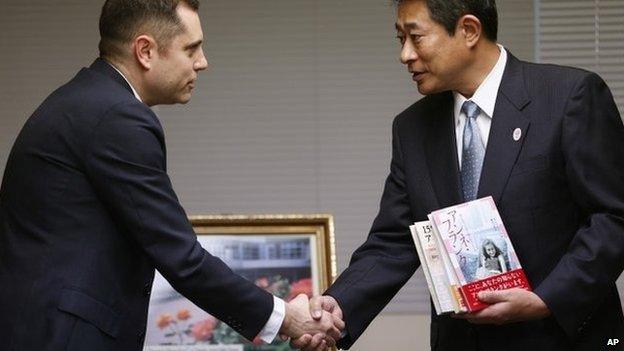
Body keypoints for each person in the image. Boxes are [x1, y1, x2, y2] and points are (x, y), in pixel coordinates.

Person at [0, 1, 342, 350]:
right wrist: (285, 317)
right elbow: (181, 257)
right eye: (191, 48)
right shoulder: (117, 116)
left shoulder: (88, 101)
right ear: (145, 51)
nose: (202, 62)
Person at [293, 0, 624, 350]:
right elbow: (393, 242)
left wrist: (546, 300)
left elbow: (614, 216)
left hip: (561, 338)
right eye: (399, 39)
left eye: (415, 37)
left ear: (468, 30)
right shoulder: (413, 128)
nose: (405, 55)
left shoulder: (568, 97)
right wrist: (336, 308)